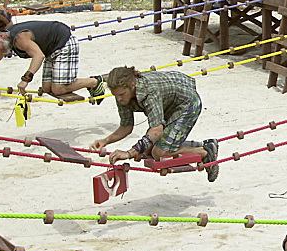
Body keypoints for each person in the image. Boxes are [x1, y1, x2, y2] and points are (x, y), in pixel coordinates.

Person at [89, 67, 219, 182]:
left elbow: (157, 131)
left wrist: (129, 153)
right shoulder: (122, 95)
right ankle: (203, 144)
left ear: (132, 85)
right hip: (168, 104)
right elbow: (126, 127)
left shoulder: (149, 92)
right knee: (148, 150)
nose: (119, 99)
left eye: (122, 94)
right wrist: (105, 141)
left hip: (187, 103)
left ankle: (206, 152)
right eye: (115, 95)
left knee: (160, 153)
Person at [0, 20, 106, 102]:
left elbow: (38, 56)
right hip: (50, 48)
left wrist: (25, 79)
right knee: (47, 89)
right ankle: (90, 82)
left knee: (59, 89)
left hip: (64, 43)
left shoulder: (19, 38)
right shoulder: (4, 42)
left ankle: (94, 82)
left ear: (1, 36)